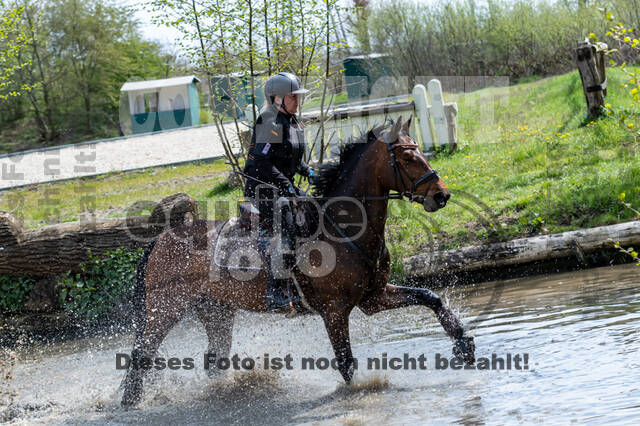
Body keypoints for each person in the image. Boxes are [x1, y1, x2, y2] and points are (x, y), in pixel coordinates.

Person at [243, 72, 313, 311]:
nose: (297, 101)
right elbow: (264, 163)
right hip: (262, 188)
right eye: (293, 97)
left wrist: (310, 172)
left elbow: (292, 160)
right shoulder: (268, 120)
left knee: (315, 210)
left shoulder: (293, 122)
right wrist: (288, 186)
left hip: (282, 185)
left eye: (297, 97)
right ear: (278, 98)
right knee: (289, 224)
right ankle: (275, 290)